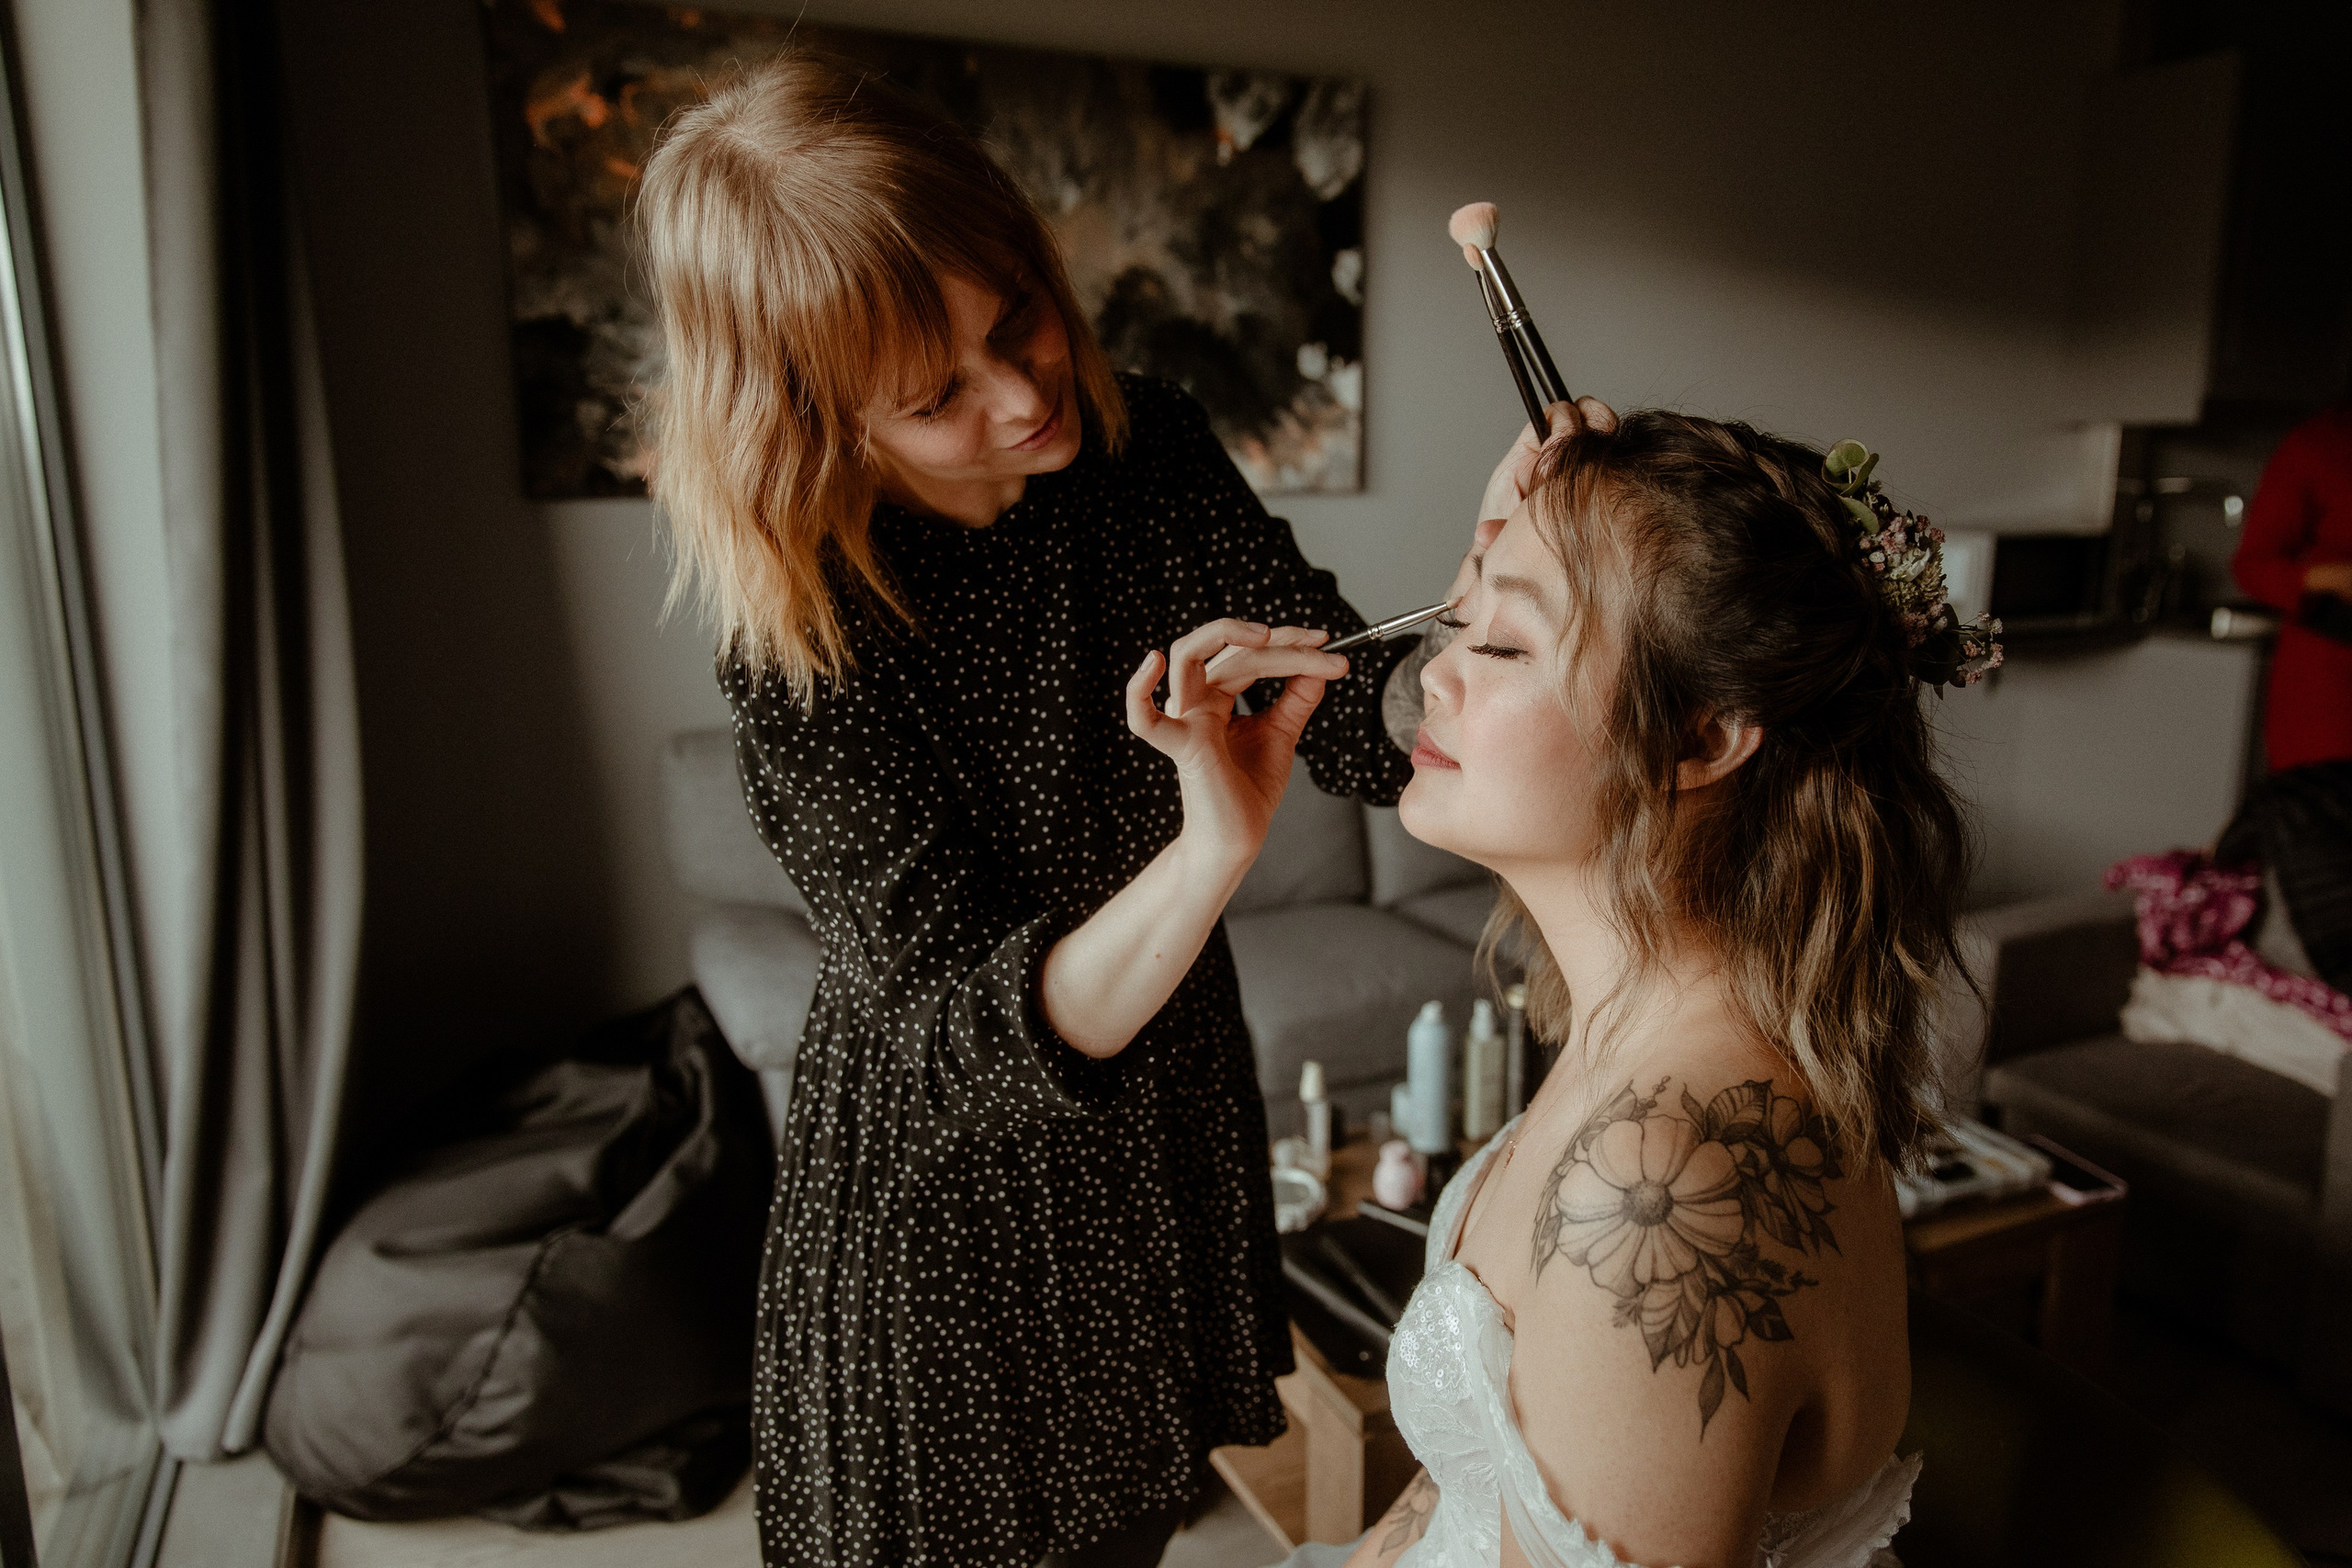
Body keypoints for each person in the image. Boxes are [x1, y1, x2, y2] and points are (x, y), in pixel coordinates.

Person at [635, 52, 1598, 1568]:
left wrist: (1510, 560)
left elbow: (1342, 700)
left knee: (1137, 1526)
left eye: (1011, 312)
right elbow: (964, 1037)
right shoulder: (804, 626)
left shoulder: (1143, 446)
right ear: (814, 415)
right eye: (936, 393)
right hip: (951, 1218)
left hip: (1156, 1148)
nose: (1022, 393)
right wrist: (1215, 845)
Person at [1339, 416, 1997, 1567]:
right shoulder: (1626, 1033)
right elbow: (1470, 1483)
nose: (1429, 673)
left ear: (1699, 734)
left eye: (1500, 646)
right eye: (1458, 617)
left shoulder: (1666, 1176)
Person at [2233, 401, 2352, 772]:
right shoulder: (2320, 444)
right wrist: (2335, 577)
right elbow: (2251, 566)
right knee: (2322, 813)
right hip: (2332, 679)